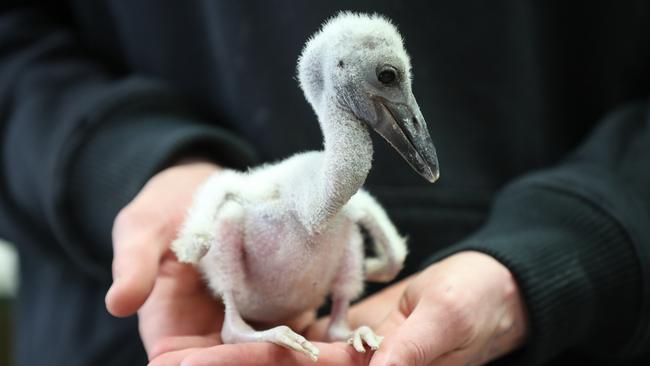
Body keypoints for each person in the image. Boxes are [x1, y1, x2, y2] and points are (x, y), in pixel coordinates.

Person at [1, 1, 649, 366]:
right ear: (337, 70)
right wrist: (138, 171)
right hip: (128, 342)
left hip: (572, 335)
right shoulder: (273, 188)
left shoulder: (338, 184)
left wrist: (568, 245)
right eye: (389, 84)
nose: (403, 104)